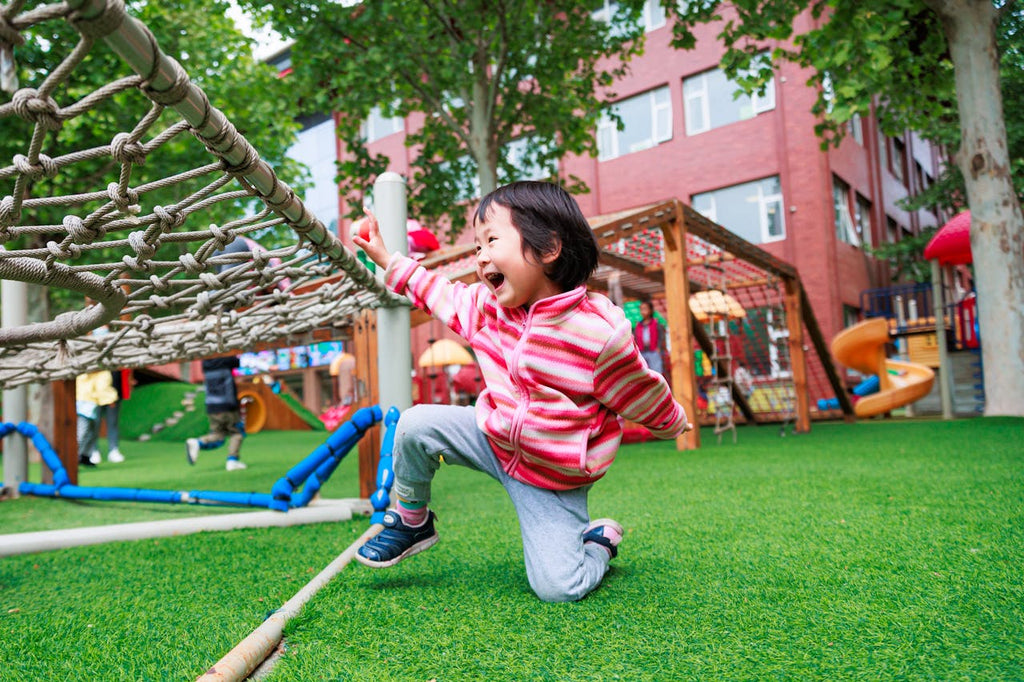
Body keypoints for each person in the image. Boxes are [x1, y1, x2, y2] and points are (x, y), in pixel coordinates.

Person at [352, 181, 691, 602]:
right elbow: (438, 292)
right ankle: (412, 520)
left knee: (558, 589)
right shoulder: (488, 309)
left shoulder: (597, 333)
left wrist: (672, 422)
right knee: (415, 423)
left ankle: (598, 543)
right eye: (477, 247)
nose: (480, 257)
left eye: (491, 240)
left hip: (551, 476)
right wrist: (387, 259)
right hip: (491, 438)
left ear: (548, 248)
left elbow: (638, 388)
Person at [185, 356, 247, 471]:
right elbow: (237, 361)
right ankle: (232, 460)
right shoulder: (225, 359)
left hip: (211, 404)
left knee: (218, 435)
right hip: (227, 403)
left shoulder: (205, 362)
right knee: (237, 432)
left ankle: (198, 442)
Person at [75, 370, 118, 469]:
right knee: (82, 432)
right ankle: (75, 456)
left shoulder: (100, 373)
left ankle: (85, 456)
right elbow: (102, 387)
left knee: (91, 432)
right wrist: (110, 398)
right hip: (85, 403)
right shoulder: (89, 373)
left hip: (89, 403)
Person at [91, 369, 130, 464]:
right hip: (93, 396)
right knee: (94, 424)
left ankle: (113, 450)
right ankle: (93, 450)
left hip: (114, 396)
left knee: (112, 423)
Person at [633, 299, 667, 377]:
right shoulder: (638, 325)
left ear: (651, 310)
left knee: (656, 372)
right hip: (642, 352)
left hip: (654, 351)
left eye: (645, 309)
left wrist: (659, 347)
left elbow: (661, 336)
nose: (642, 311)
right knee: (643, 372)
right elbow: (635, 338)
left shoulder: (656, 324)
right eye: (641, 309)